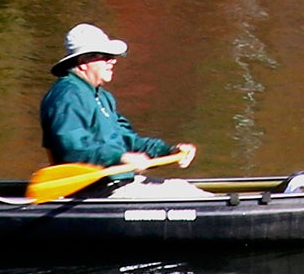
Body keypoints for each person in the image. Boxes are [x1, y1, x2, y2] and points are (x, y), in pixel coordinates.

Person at [39, 24, 198, 185]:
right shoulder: (68, 96)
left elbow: (128, 140)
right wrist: (120, 157)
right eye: (105, 56)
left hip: (117, 183)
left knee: (182, 187)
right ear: (83, 62)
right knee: (185, 192)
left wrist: (168, 150)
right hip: (93, 188)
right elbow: (73, 151)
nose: (113, 61)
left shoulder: (102, 96)